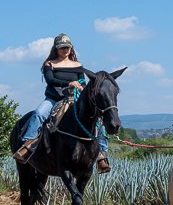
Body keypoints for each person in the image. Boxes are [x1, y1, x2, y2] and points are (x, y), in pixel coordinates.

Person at [13, 33, 110, 173]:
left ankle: (102, 155)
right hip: (54, 99)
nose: (65, 50)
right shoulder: (50, 64)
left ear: (71, 48)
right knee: (39, 114)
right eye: (62, 47)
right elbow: (50, 80)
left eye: (67, 47)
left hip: (74, 99)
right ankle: (27, 144)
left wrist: (81, 85)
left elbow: (82, 81)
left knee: (98, 121)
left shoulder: (77, 65)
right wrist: (69, 83)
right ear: (56, 49)